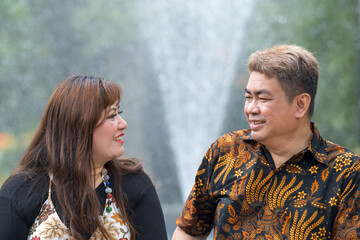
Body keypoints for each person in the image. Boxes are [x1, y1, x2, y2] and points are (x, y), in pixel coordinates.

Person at [172, 44, 360, 239]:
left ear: (300, 104)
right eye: (248, 97)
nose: (251, 109)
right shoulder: (225, 150)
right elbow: (189, 231)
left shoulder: (345, 171)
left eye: (263, 99)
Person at [0, 75, 168, 240]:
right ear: (80, 125)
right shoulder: (22, 191)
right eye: (112, 115)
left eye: (119, 113)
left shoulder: (134, 185)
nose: (123, 123)